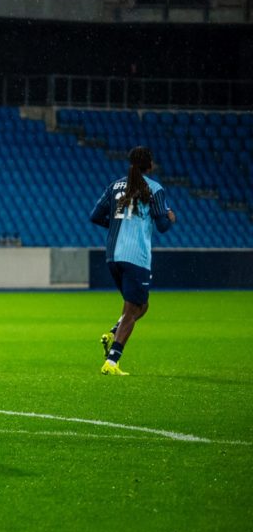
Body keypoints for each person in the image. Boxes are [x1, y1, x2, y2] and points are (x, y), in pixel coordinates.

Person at [89, 146, 175, 376]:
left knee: (140, 306)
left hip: (112, 256)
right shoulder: (154, 189)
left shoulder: (115, 186)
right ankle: (112, 361)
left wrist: (116, 225)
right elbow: (162, 226)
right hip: (136, 256)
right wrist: (170, 217)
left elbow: (95, 216)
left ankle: (113, 333)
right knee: (133, 309)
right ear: (150, 165)